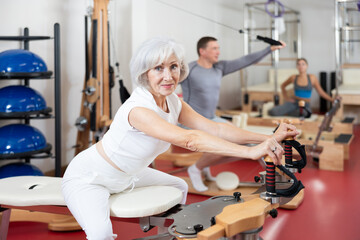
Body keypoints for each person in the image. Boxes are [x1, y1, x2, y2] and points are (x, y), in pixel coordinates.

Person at [62, 37, 298, 239]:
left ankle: (168, 235)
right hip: (90, 177)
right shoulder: (138, 109)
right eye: (158, 68)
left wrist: (268, 138)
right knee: (101, 233)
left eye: (173, 67)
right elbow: (190, 140)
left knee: (178, 185)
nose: (168, 76)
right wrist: (249, 152)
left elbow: (215, 129)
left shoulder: (173, 101)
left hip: (129, 174)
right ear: (145, 72)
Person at [180, 36, 286, 191]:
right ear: (202, 51)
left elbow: (245, 61)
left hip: (212, 119)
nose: (218, 52)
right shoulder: (189, 70)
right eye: (214, 48)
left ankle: (204, 165)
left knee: (246, 143)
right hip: (192, 122)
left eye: (218, 48)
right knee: (222, 143)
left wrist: (269, 49)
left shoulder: (219, 67)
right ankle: (196, 168)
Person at [268, 58, 337, 117]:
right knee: (272, 112)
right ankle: (286, 111)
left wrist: (332, 100)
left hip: (305, 104)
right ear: (297, 67)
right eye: (298, 64)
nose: (301, 66)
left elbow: (321, 92)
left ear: (307, 66)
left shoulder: (312, 78)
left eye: (303, 64)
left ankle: (287, 112)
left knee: (305, 113)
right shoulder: (293, 77)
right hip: (294, 103)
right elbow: (282, 85)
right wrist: (287, 98)